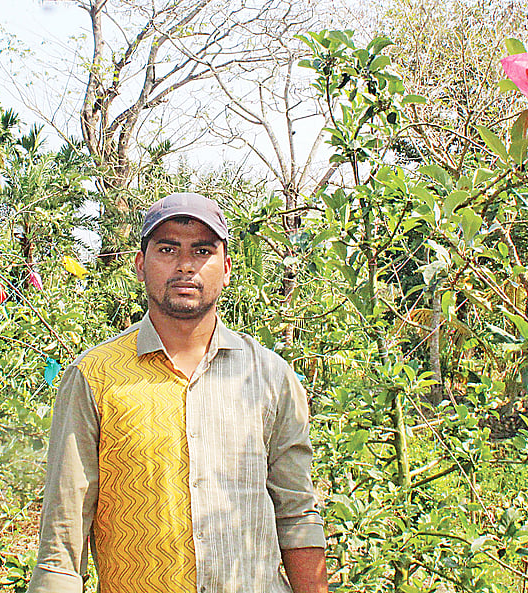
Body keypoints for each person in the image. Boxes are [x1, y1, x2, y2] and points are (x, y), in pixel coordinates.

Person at [27, 192, 327, 593]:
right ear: (140, 264)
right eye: (168, 249)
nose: (185, 265)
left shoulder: (270, 377)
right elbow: (62, 545)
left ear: (226, 269)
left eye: (202, 250)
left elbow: (296, 516)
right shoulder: (94, 377)